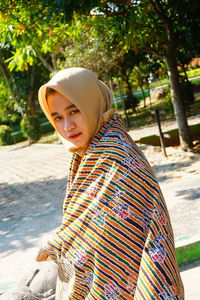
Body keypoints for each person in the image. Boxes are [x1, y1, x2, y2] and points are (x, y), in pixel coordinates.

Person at [36, 67, 184, 299]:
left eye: (74, 111)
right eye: (57, 118)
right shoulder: (88, 150)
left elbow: (102, 229)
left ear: (92, 103)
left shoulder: (115, 154)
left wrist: (58, 241)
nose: (67, 126)